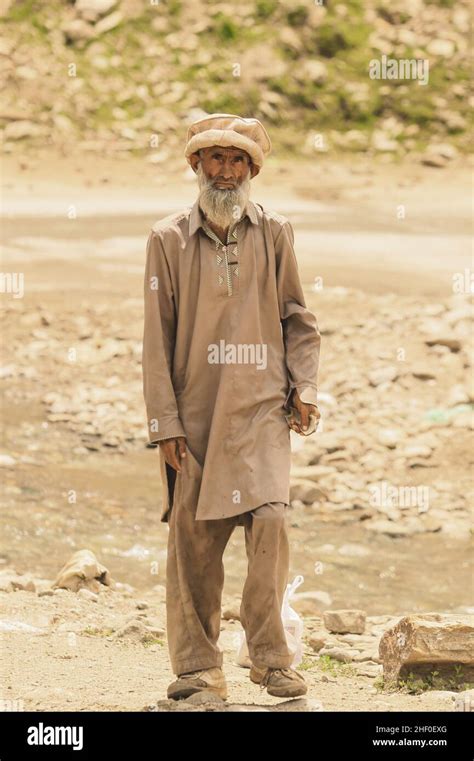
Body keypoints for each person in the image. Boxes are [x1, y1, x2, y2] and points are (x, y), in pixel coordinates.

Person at [142, 113, 321, 700]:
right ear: (196, 166)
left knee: (270, 522)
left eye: (237, 160)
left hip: (262, 407)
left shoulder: (276, 233)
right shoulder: (166, 239)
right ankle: (197, 667)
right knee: (195, 538)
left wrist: (305, 387)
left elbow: (298, 318)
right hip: (194, 413)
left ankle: (270, 659)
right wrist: (164, 423)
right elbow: (156, 338)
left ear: (252, 170)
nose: (225, 171)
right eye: (215, 159)